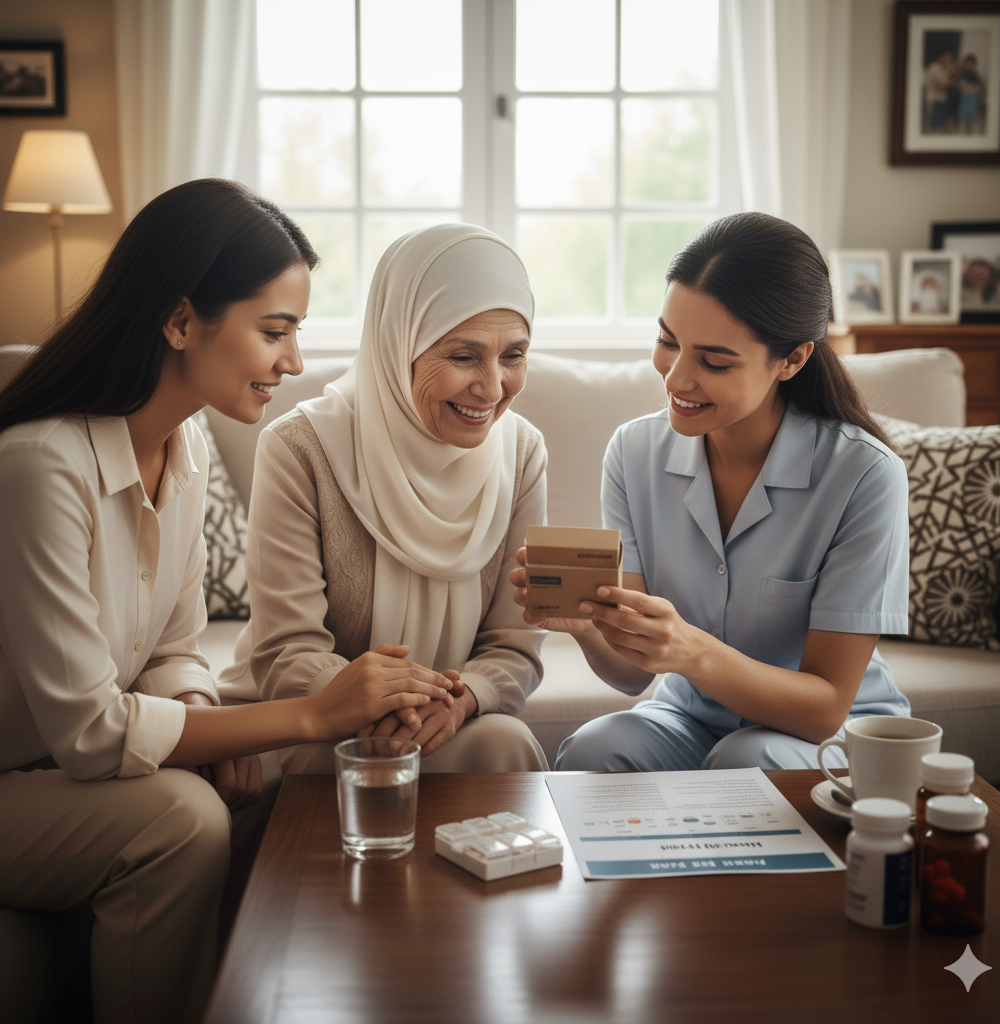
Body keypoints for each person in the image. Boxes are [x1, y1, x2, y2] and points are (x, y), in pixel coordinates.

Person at [0, 179, 456, 1024]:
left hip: (62, 772)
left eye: (298, 333)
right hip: (19, 777)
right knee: (181, 816)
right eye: (273, 331)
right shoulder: (41, 467)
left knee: (268, 779)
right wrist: (312, 714)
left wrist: (198, 708)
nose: (291, 361)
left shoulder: (187, 448)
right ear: (180, 322)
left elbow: (175, 647)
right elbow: (92, 733)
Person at [512, 212, 911, 773]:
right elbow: (632, 675)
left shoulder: (865, 477)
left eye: (713, 361)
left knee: (746, 759)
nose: (674, 378)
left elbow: (824, 707)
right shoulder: (633, 453)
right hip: (690, 719)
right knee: (592, 750)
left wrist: (691, 650)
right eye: (667, 342)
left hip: (822, 733)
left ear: (792, 359)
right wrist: (584, 623)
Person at [218, 223, 549, 773]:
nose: (492, 389)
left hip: (444, 722)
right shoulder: (300, 449)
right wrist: (378, 706)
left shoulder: (522, 452)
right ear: (399, 346)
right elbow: (288, 654)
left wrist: (465, 696)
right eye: (464, 357)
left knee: (504, 742)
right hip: (316, 722)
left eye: (513, 355)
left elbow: (514, 645)